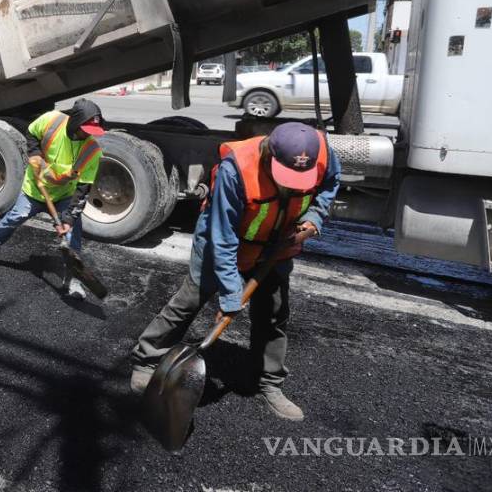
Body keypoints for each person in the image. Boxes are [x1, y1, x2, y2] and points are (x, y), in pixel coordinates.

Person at [128, 122, 341, 421]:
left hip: (278, 244)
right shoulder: (236, 169)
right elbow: (223, 237)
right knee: (188, 301)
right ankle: (147, 359)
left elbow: (331, 184)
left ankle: (269, 382)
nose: (293, 185)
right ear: (270, 154)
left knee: (274, 314)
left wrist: (315, 217)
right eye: (286, 177)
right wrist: (230, 295)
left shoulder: (322, 153)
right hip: (225, 240)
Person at [0, 98, 105, 300]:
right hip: (36, 189)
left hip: (64, 195)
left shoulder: (92, 150)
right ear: (74, 122)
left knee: (73, 235)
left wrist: (69, 220)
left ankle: (73, 277)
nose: (88, 135)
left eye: (92, 132)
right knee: (15, 217)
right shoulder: (51, 120)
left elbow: (83, 188)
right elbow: (31, 133)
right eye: (85, 129)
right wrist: (35, 154)